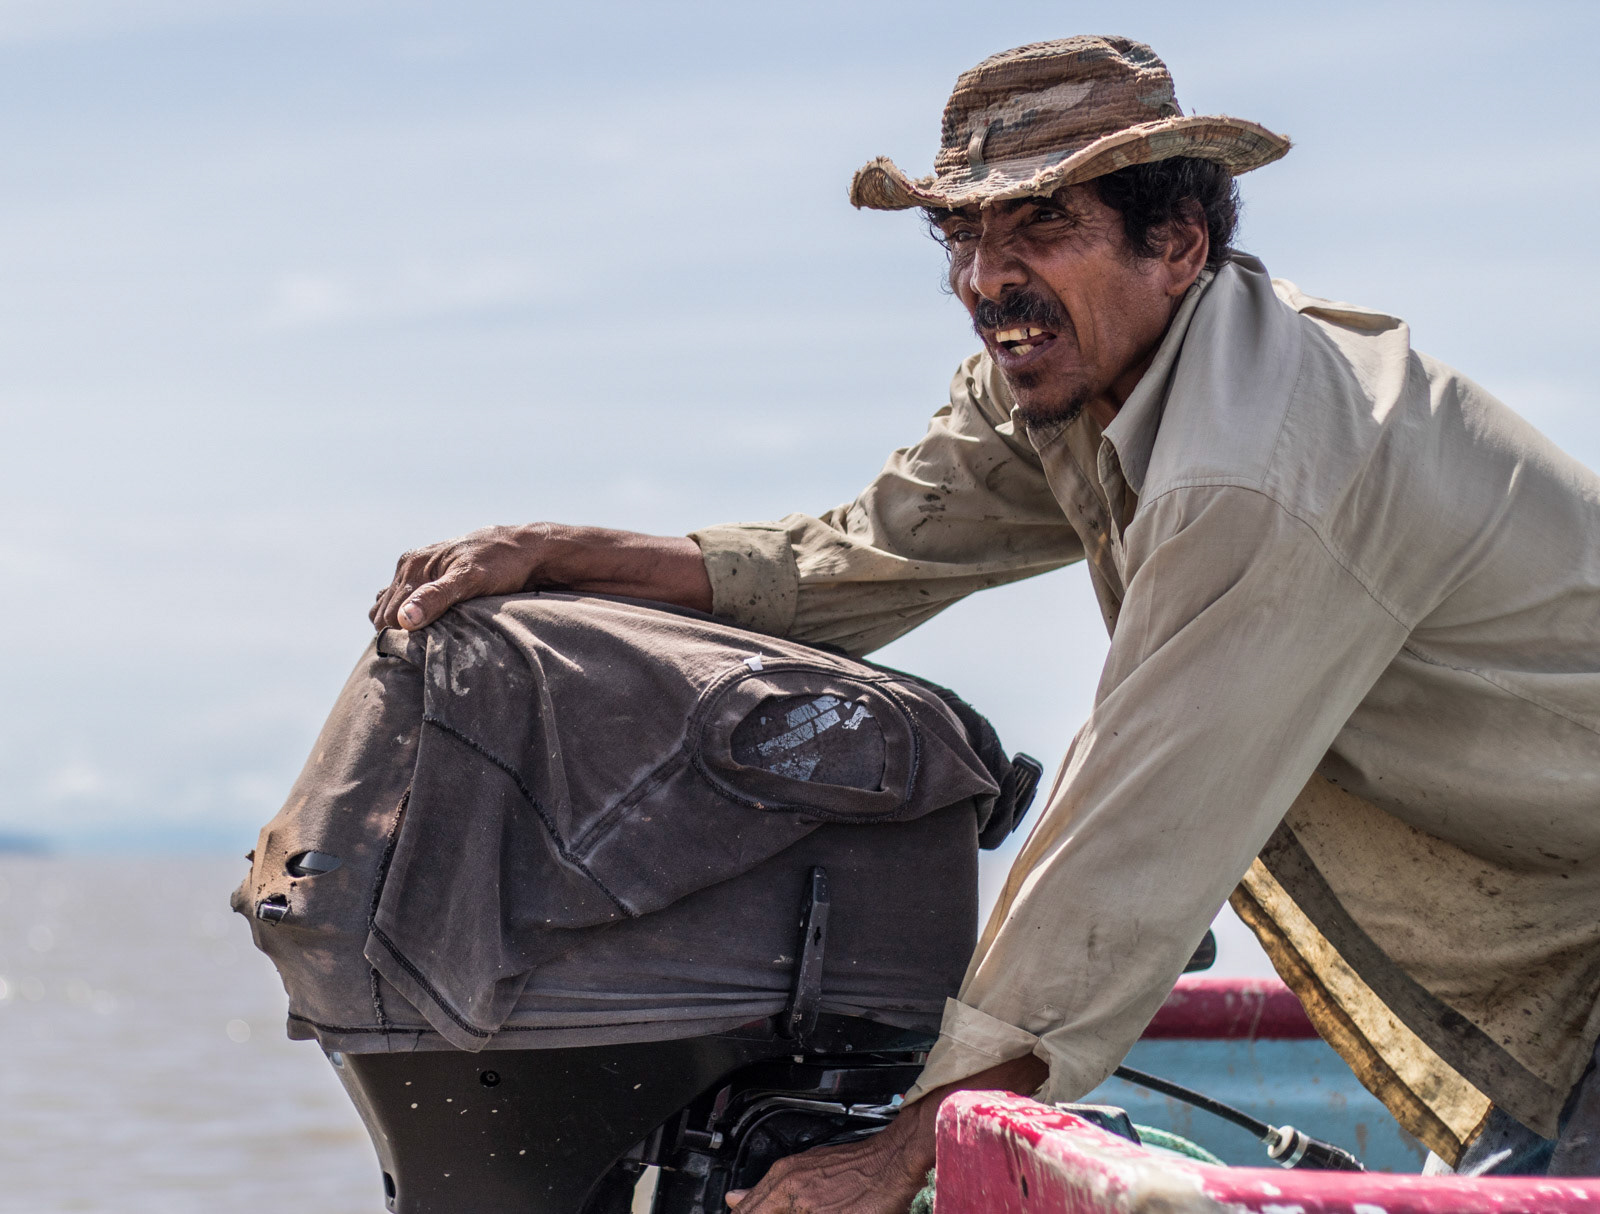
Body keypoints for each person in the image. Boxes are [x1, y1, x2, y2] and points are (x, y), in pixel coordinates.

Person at [369, 34, 1600, 1209]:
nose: (983, 278)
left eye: (1041, 224)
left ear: (1176, 244)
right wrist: (560, 551)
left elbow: (1134, 824)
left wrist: (912, 1145)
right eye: (960, 233)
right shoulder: (1071, 382)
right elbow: (854, 556)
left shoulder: (1260, 467)